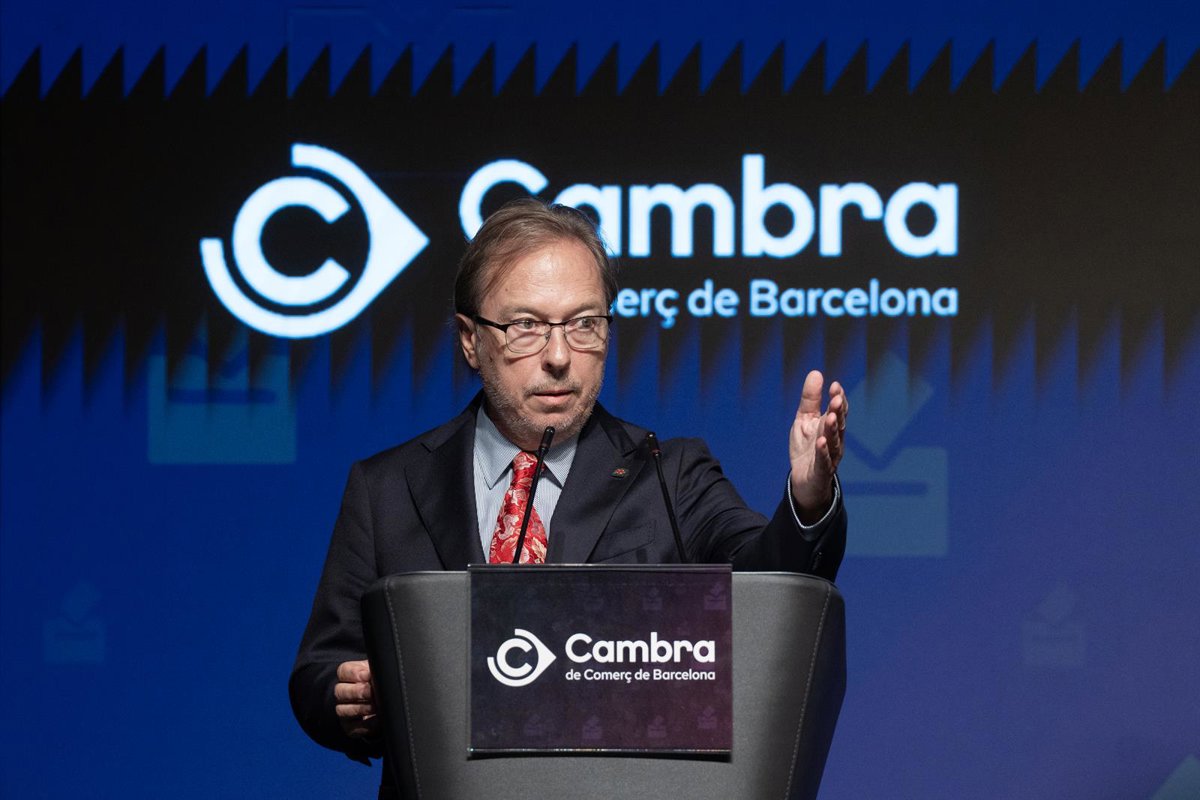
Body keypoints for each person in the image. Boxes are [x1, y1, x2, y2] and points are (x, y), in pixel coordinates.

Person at [289, 198, 849, 776]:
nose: (559, 357)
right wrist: (348, 698)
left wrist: (807, 499)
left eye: (584, 324)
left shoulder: (669, 474)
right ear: (470, 340)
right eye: (525, 326)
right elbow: (319, 670)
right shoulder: (387, 487)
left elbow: (770, 589)